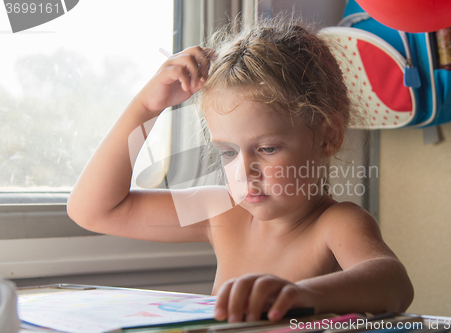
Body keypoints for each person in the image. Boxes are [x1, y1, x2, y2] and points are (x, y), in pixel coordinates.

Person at [67, 17, 413, 323]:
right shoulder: (222, 213)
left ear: (328, 137)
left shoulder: (335, 225)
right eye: (228, 152)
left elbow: (394, 283)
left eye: (267, 149)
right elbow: (94, 211)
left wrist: (303, 296)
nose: (245, 173)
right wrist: (146, 107)